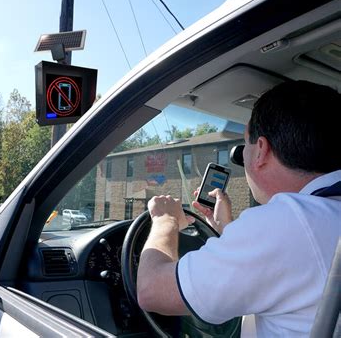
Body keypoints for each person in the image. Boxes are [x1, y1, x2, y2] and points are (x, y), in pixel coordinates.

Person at [137, 80, 341, 337]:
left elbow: (152, 291)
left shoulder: (288, 220)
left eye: (245, 146)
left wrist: (165, 219)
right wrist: (227, 229)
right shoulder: (319, 215)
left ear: (261, 151)